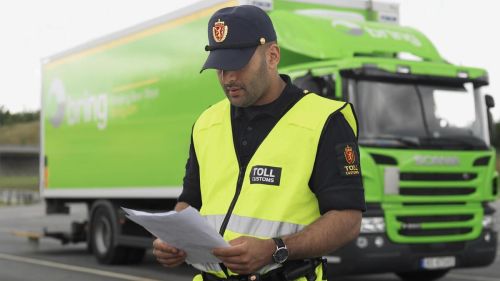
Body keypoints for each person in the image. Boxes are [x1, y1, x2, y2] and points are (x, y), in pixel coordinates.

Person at [153, 5, 365, 281]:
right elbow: (190, 202)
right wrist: (174, 239)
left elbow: (347, 220)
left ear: (272, 56)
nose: (228, 78)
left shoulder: (324, 120)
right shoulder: (207, 122)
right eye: (220, 67)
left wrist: (275, 249)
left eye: (238, 65)